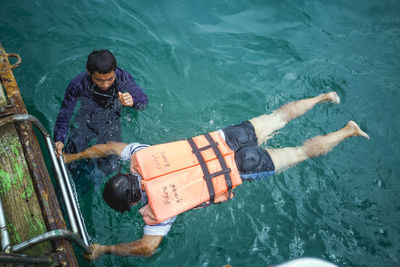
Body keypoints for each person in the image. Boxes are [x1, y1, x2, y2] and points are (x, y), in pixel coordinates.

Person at [63, 92, 369, 260]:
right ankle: (323, 98)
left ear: (132, 203)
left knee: (301, 152)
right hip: (228, 138)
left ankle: (347, 131)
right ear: (127, 177)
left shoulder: (158, 214)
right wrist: (72, 157)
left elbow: (146, 248)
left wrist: (105, 248)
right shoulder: (141, 156)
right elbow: (108, 147)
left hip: (244, 166)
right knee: (280, 116)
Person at [54, 49, 148, 156]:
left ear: (115, 71)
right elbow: (64, 114)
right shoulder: (77, 85)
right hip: (87, 116)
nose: (105, 85)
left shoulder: (123, 77)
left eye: (110, 79)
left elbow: (143, 102)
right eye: (99, 80)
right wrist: (59, 139)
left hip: (112, 117)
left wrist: (133, 101)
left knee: (111, 159)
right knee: (73, 149)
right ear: (89, 72)